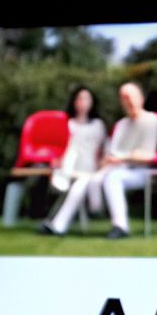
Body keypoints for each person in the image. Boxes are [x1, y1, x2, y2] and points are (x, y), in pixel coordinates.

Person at [44, 82, 157, 239]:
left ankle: (120, 226)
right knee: (84, 181)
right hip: (113, 169)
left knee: (113, 177)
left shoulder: (151, 120)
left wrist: (121, 158)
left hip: (140, 171)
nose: (127, 101)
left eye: (130, 96)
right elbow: (110, 152)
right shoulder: (121, 125)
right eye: (123, 97)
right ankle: (59, 226)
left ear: (141, 98)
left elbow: (148, 156)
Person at [38, 86, 107, 232]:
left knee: (80, 184)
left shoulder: (98, 125)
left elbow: (102, 151)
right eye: (80, 98)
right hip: (68, 169)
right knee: (74, 184)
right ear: (74, 101)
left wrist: (102, 167)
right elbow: (58, 147)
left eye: (86, 99)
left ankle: (58, 225)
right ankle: (59, 225)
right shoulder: (67, 123)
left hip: (90, 171)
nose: (83, 103)